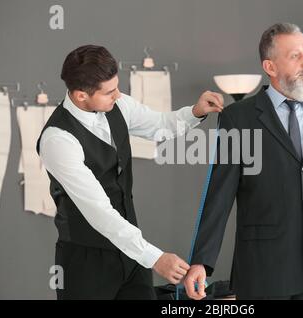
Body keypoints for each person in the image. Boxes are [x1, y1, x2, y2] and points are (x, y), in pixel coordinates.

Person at [184, 23, 303, 300]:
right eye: (295, 56)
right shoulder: (238, 118)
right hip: (263, 272)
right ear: (270, 66)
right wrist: (201, 261)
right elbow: (220, 195)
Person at [37, 45, 223, 299]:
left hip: (131, 252)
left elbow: (159, 125)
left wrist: (195, 112)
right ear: (81, 95)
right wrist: (155, 258)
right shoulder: (57, 140)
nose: (118, 95)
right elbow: (99, 212)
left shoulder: (117, 104)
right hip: (85, 263)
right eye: (109, 92)